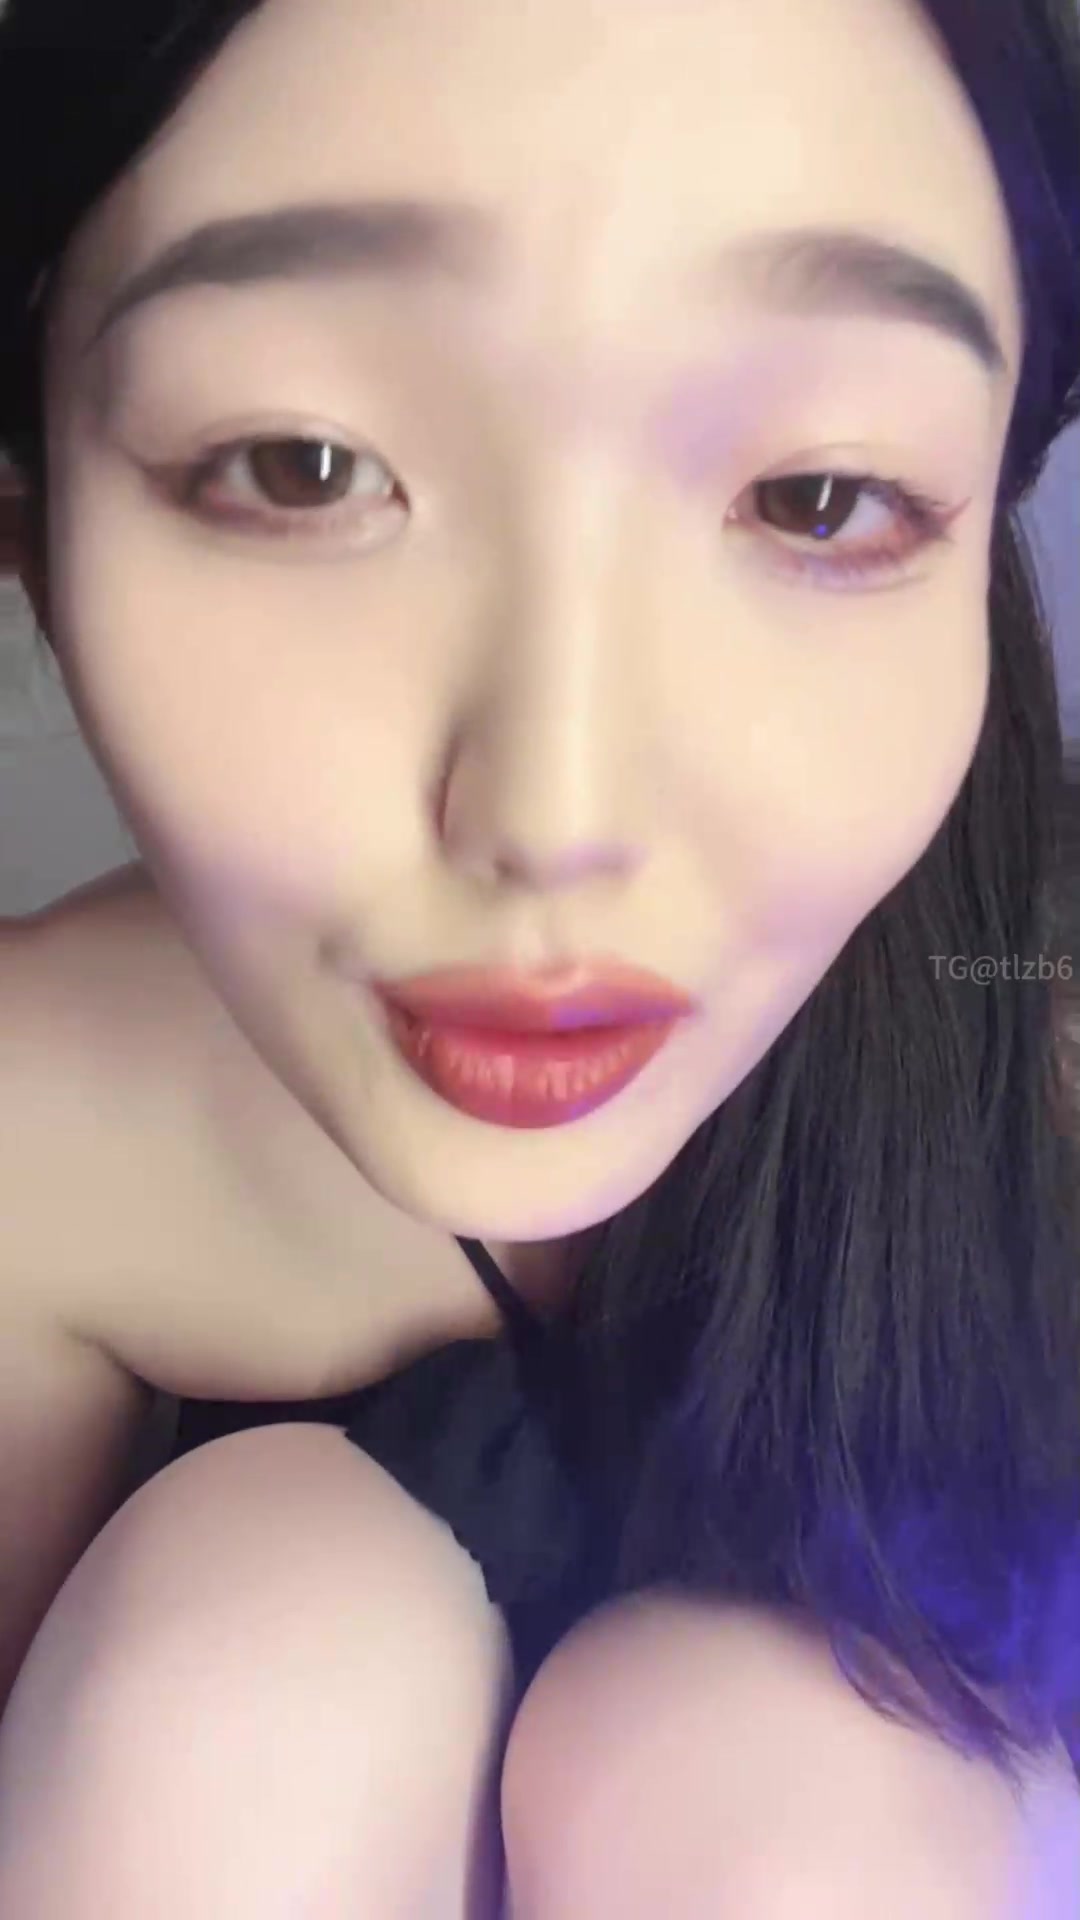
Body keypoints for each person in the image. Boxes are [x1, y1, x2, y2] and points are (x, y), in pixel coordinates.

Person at [1, 0, 1079, 1910]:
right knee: (249, 1663)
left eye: (818, 498)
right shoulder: (45, 1135)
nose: (556, 816)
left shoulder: (1042, 1055)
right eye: (302, 466)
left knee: (797, 1807)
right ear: (32, 532)